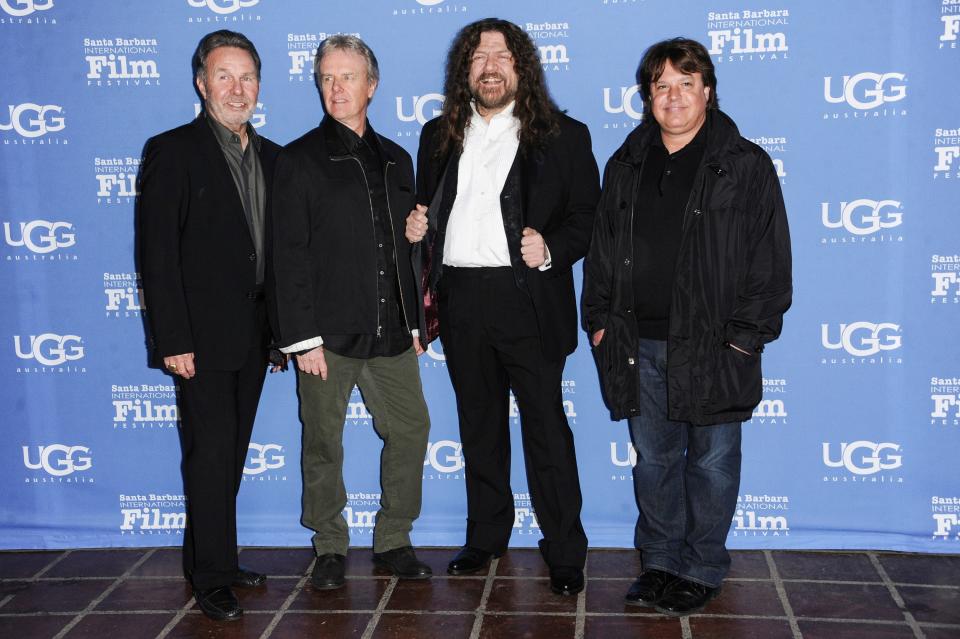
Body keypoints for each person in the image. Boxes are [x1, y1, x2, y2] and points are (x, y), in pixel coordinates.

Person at [582, 37, 793, 616]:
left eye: (685, 84)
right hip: (636, 342)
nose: (673, 97)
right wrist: (599, 322)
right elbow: (602, 251)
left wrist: (743, 339)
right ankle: (660, 563)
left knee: (712, 463)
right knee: (653, 461)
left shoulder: (744, 164)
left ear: (708, 90)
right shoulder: (626, 161)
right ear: (648, 96)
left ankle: (701, 568)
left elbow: (770, 261)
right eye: (661, 86)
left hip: (716, 346)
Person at [405, 17, 599, 596]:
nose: (490, 66)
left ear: (523, 67)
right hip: (463, 298)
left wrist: (552, 250)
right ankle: (486, 536)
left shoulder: (564, 134)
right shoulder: (437, 135)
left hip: (529, 300)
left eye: (502, 56)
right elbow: (428, 211)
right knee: (479, 427)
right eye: (479, 57)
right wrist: (418, 227)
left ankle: (565, 549)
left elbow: (588, 218)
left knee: (546, 430)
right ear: (465, 70)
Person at [272, 35, 433, 590]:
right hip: (327, 336)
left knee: (412, 431)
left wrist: (416, 319)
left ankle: (393, 539)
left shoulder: (397, 158)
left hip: (391, 330)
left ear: (372, 84)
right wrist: (300, 337)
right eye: (326, 78)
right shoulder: (296, 160)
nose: (336, 88)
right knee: (323, 441)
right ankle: (330, 545)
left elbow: (402, 248)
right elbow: (286, 254)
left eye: (347, 77)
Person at [138, 30, 282, 621]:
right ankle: (211, 575)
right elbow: (156, 254)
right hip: (198, 338)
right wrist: (172, 339)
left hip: (255, 333)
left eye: (247, 76)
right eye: (224, 75)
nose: (237, 87)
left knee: (231, 452)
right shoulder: (172, 150)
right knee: (209, 454)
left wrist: (282, 332)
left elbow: (280, 254)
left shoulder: (274, 157)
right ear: (201, 83)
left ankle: (213, 557)